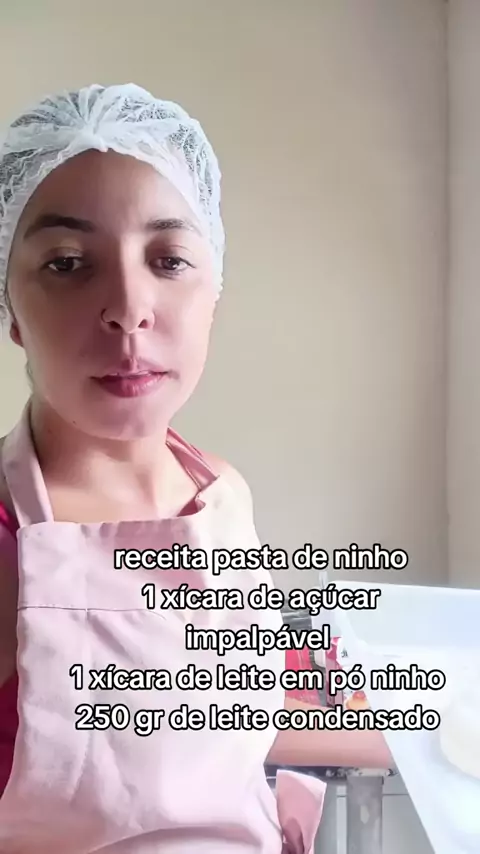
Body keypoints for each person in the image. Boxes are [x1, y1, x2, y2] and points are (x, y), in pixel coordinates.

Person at [0, 84, 392, 853]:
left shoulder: (218, 494)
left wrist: (429, 732)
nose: (129, 308)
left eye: (169, 259)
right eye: (69, 264)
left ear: (215, 290)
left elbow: (225, 716)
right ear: (10, 307)